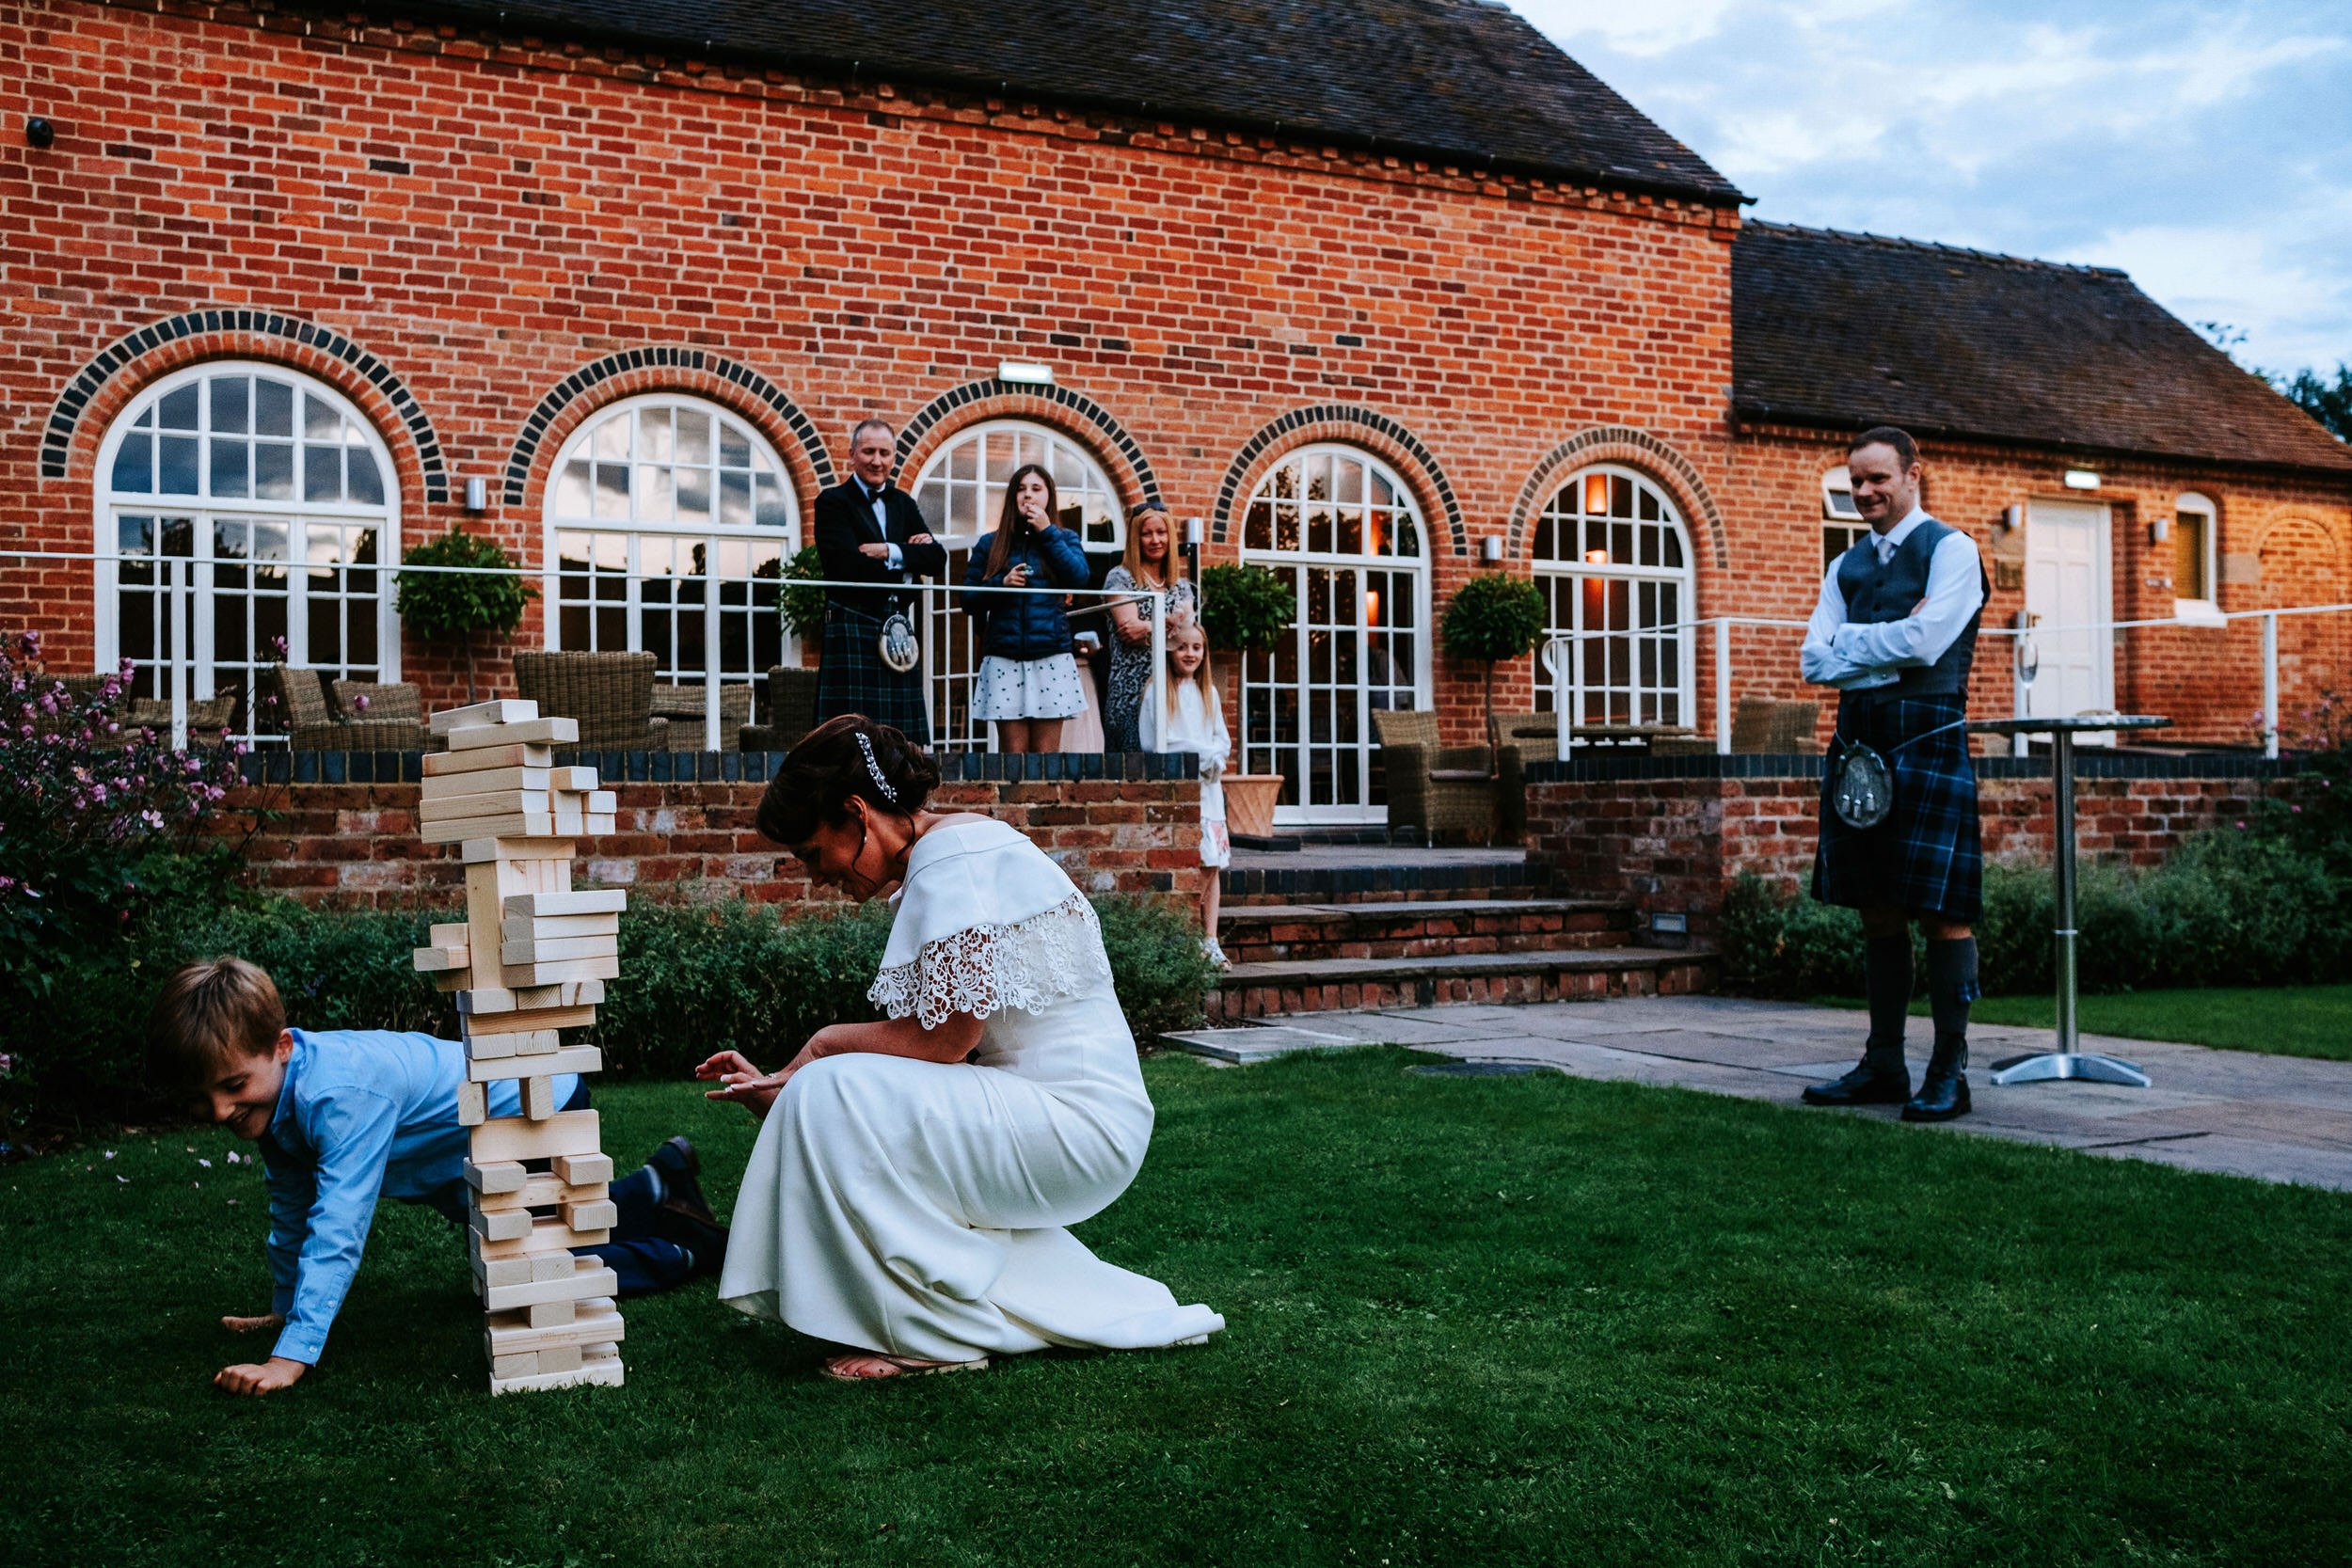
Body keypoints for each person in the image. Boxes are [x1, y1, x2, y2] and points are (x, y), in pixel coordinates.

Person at [699, 716, 1224, 1381]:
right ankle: (947, 1309)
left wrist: (823, 1048)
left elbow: (948, 1039)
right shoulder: (959, 848)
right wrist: (794, 1091)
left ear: (856, 813)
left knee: (836, 1084)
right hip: (1069, 1115)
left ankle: (934, 1332)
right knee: (831, 1090)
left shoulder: (951, 861)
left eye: (811, 851)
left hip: (1075, 1121)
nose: (814, 876)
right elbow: (926, 1065)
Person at [148, 957, 724, 1396]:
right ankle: (660, 1182)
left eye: (232, 1088)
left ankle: (688, 1249)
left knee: (529, 1277)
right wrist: (285, 1304)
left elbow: (337, 1227)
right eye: (202, 1100)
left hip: (528, 1106)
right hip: (473, 1141)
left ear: (280, 1047)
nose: (221, 1113)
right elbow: (292, 1208)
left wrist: (289, 1356)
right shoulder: (278, 1099)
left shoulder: (338, 1095)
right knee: (539, 1230)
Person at [1798, 425, 1989, 1123]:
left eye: (1878, 477)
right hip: (1859, 746)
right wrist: (1878, 649)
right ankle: (1884, 1064)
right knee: (1876, 907)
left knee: (1944, 913)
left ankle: (1949, 1071)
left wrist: (1851, 645)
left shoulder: (1953, 550)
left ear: (1914, 474)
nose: (1866, 491)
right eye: (1856, 480)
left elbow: (1931, 638)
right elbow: (1812, 660)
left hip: (1929, 741)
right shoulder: (1846, 566)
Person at [813, 419, 949, 743]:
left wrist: (887, 551)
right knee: (851, 737)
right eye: (869, 451)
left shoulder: (903, 503)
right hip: (853, 624)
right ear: (852, 455)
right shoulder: (833, 502)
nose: (877, 460)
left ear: (894, 456)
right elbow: (845, 566)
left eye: (885, 453)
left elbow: (938, 560)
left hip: (897, 628)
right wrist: (907, 561)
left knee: (901, 740)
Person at [961, 463, 1091, 753]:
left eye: (1036, 489)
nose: (1028, 496)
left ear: (1049, 496)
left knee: (1046, 759)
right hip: (1004, 658)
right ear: (1012, 497)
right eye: (1021, 489)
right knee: (1013, 760)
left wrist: (1047, 533)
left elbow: (1079, 578)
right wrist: (1000, 584)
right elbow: (967, 599)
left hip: (1051, 655)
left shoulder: (1065, 538)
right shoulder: (991, 543)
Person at [1140, 619, 1232, 967]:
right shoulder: (1158, 693)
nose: (1190, 653)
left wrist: (1213, 758)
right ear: (1169, 651)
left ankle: (1210, 938)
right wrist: (1203, 754)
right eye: (1182, 647)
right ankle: (1186, 934)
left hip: (1210, 791)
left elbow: (1221, 741)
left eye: (1197, 647)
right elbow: (1157, 744)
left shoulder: (1208, 693)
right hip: (1180, 795)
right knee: (1193, 864)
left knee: (1213, 863)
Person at [1101, 501, 1200, 753]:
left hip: (1170, 692)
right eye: (1147, 533)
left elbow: (1187, 634)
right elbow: (1130, 631)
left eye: (1161, 532)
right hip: (1130, 691)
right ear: (1136, 538)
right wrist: (1169, 623)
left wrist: (1150, 626)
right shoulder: (1121, 577)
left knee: (1170, 769)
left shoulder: (1180, 585)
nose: (1155, 540)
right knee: (1130, 772)